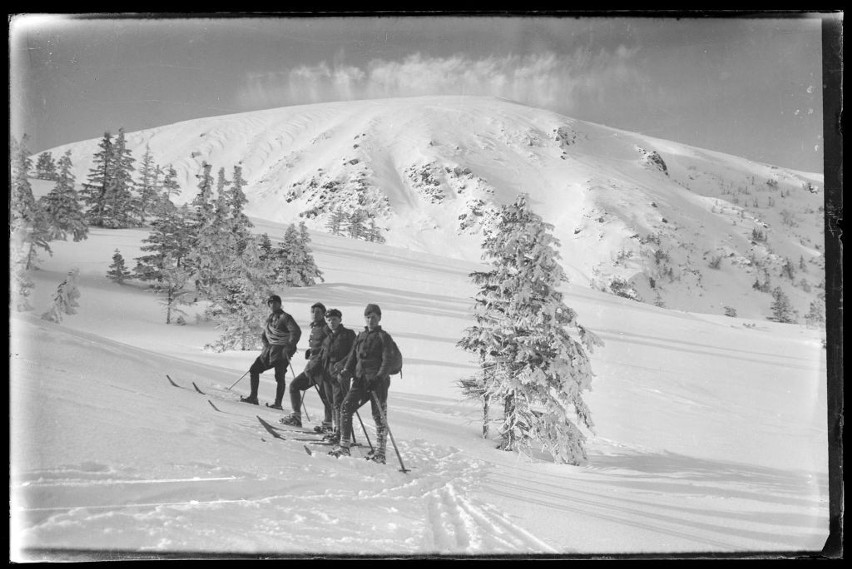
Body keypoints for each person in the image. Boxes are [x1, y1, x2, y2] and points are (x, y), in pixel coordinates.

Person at [329, 303, 393, 464]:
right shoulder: (361, 336)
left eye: (374, 317)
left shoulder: (383, 337)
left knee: (379, 415)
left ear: (379, 318)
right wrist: (346, 372)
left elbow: (387, 361)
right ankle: (344, 445)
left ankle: (380, 453)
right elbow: (352, 358)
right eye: (368, 317)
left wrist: (378, 378)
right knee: (346, 407)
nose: (370, 320)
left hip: (378, 382)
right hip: (360, 381)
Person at [240, 294, 301, 406]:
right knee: (254, 369)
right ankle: (253, 397)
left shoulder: (286, 317)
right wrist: (266, 344)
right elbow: (265, 334)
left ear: (280, 304)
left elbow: (296, 332)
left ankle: (278, 403)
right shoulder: (270, 317)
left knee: (279, 376)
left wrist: (289, 346)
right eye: (271, 303)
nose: (273, 305)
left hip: (282, 352)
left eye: (275, 303)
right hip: (269, 351)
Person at [279, 302, 332, 428]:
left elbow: (328, 348)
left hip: (322, 368)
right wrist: (311, 351)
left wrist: (316, 359)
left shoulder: (326, 328)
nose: (314, 314)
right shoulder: (315, 327)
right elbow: (319, 345)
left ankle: (328, 424)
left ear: (324, 314)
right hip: (314, 366)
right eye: (313, 312)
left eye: (318, 312)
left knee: (326, 397)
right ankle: (296, 417)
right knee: (295, 386)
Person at [317, 308, 357, 445]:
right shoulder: (327, 336)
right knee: (332, 403)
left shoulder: (348, 334)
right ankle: (336, 431)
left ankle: (341, 433)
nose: (331, 322)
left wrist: (343, 364)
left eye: (334, 319)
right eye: (328, 320)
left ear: (340, 320)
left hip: (342, 373)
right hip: (328, 373)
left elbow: (354, 352)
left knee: (340, 403)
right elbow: (323, 355)